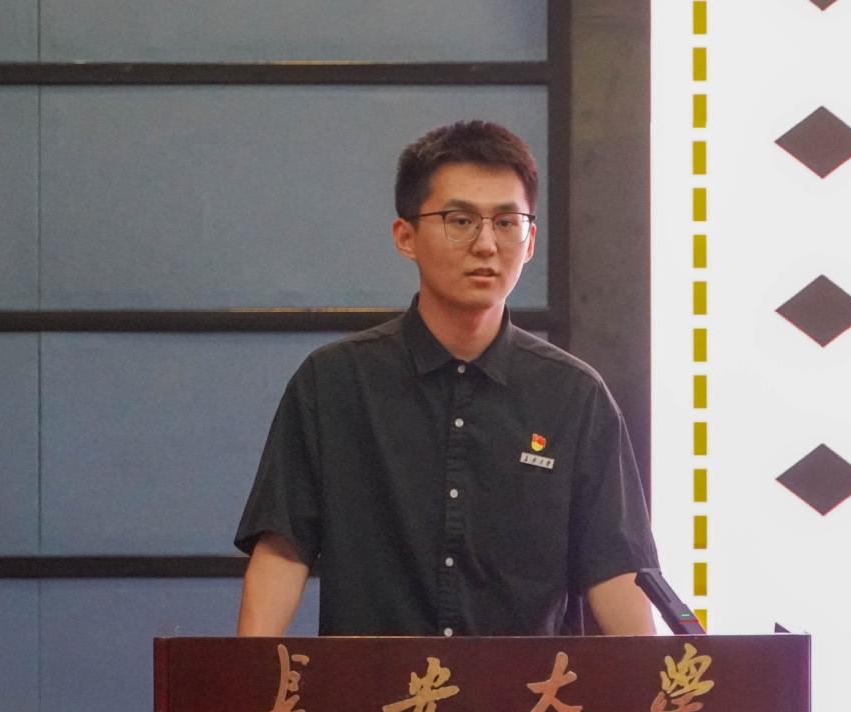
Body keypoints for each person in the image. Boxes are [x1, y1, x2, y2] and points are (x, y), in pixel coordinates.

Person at [235, 120, 658, 638]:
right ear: (405, 236)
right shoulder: (334, 384)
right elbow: (283, 550)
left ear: (530, 241)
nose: (486, 244)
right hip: (374, 688)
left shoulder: (575, 396)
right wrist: (248, 678)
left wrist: (656, 683)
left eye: (508, 222)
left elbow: (615, 569)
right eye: (461, 220)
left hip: (529, 691)